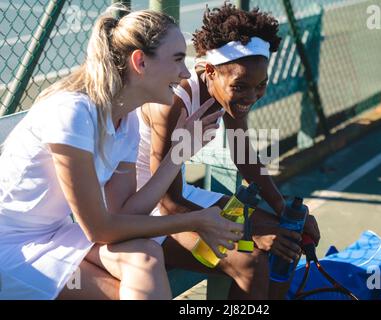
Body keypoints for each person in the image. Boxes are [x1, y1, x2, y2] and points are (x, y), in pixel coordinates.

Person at [0, 5, 240, 300]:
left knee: (147, 255)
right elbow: (100, 230)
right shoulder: (73, 113)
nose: (185, 72)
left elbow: (126, 213)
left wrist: (178, 154)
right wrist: (197, 220)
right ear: (140, 61)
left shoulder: (126, 122)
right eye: (178, 59)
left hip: (55, 233)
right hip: (10, 247)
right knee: (126, 291)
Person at [137, 3, 321, 299]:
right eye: (242, 86)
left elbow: (244, 156)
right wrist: (250, 233)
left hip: (182, 196)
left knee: (288, 240)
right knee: (250, 262)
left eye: (261, 85)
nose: (252, 96)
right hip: (145, 212)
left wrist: (283, 210)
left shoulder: (230, 94)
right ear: (210, 70)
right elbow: (168, 204)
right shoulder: (173, 103)